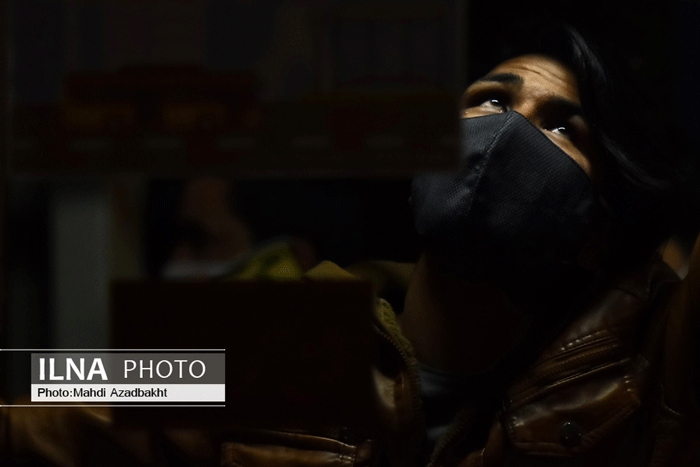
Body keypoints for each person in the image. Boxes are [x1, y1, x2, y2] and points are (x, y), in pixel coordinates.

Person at [2, 23, 699, 467]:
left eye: (563, 128)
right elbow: (52, 401)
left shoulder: (648, 364)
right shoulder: (280, 329)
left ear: (598, 229)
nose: (507, 132)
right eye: (490, 100)